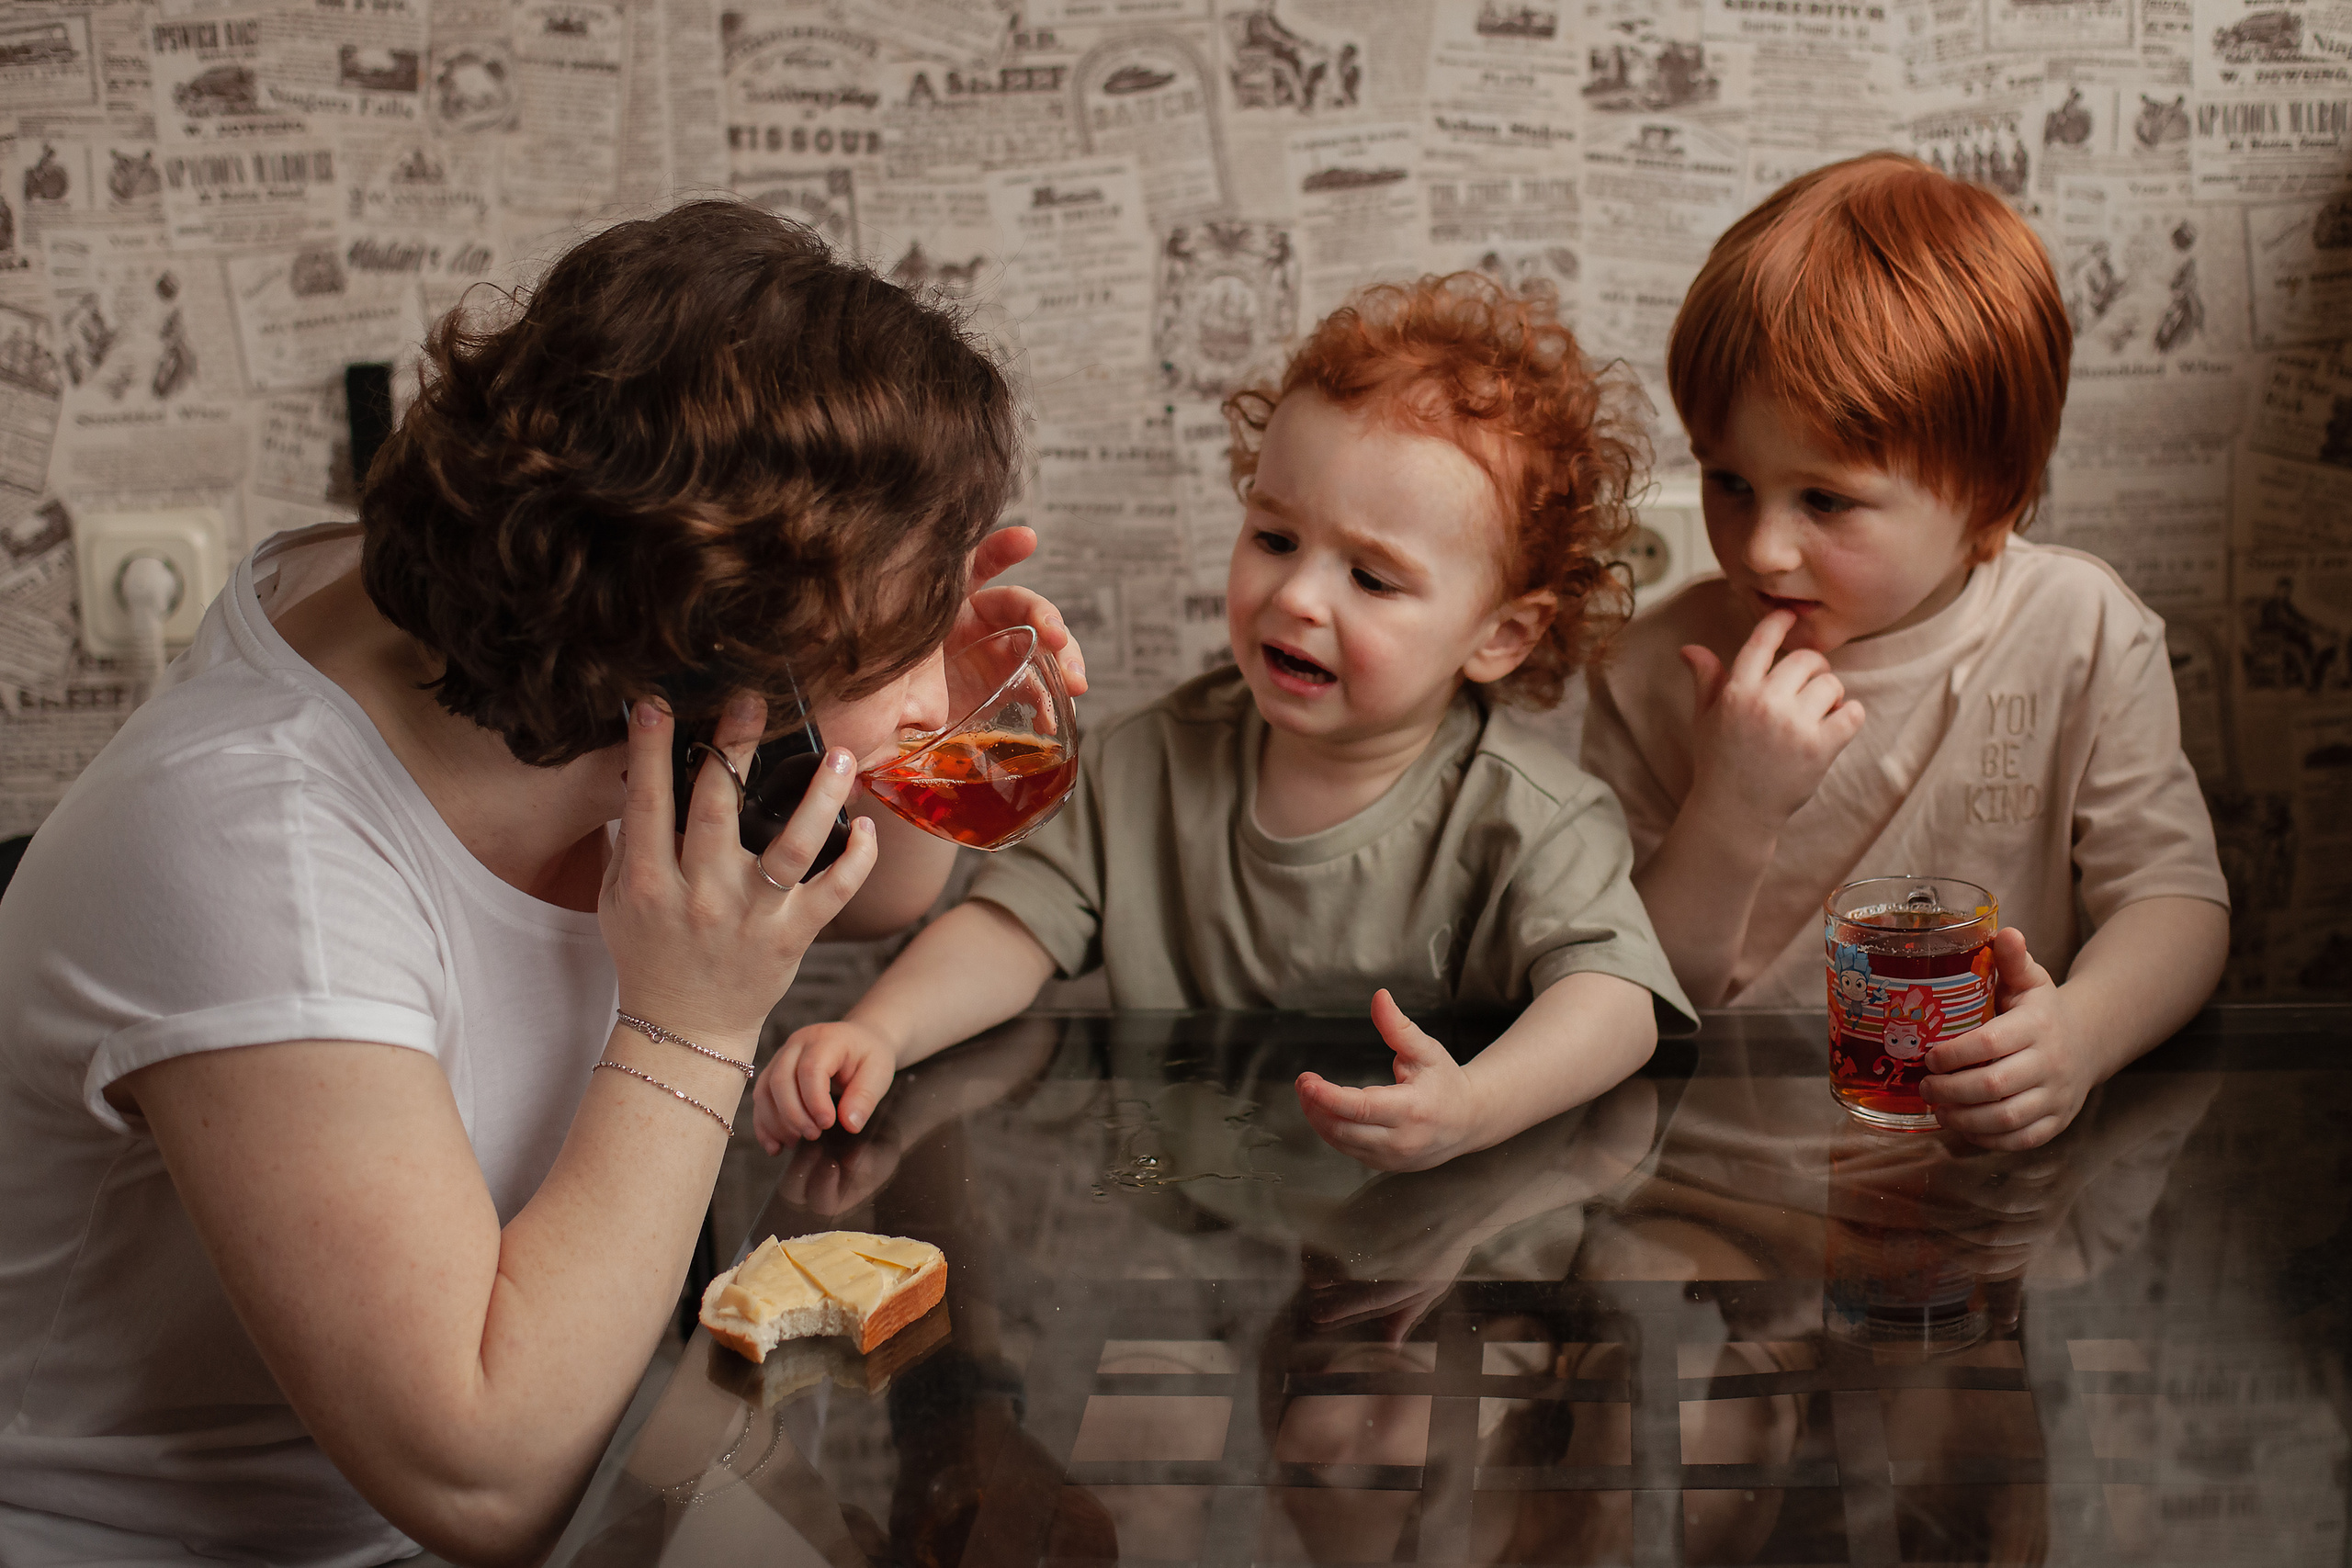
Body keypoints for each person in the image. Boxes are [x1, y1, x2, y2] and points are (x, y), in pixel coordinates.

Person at [0, 200, 1084, 1565]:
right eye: (905, 628)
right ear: (715, 652)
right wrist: (692, 1022)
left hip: (582, 1449)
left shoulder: (564, 650)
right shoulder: (255, 849)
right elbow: (484, 1478)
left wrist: (929, 702)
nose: (929, 658)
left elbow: (876, 901)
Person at [757, 272, 1695, 1174]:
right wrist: (879, 1029)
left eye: (1370, 577)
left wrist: (1479, 1105)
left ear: (1502, 635)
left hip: (1459, 1236)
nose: (1297, 596)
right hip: (1227, 1213)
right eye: (1275, 539)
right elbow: (1011, 928)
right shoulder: (1145, 764)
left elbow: (1619, 1003)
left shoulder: (1534, 819)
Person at [1580, 152, 2229, 1152]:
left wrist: (2082, 1035)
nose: (1761, 548)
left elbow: (2174, 902)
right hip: (1716, 1166)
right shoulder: (1653, 669)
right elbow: (1634, 995)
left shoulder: (2079, 631)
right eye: (1729, 482)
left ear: (1987, 495)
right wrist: (1737, 803)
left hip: (1984, 1160)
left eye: (1825, 499)